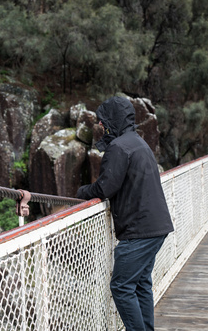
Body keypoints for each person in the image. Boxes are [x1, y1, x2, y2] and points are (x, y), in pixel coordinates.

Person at [77, 96, 174, 331]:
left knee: (121, 287)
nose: (100, 127)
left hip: (139, 231)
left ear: (112, 121)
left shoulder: (119, 147)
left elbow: (105, 188)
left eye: (102, 122)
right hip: (155, 227)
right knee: (140, 284)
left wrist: (81, 191)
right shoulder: (139, 143)